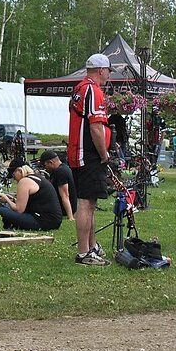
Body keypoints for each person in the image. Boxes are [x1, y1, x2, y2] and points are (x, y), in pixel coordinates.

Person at [67, 53, 113, 266]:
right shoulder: (93, 91)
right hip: (89, 154)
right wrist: (104, 154)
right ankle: (84, 252)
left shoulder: (79, 88)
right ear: (101, 70)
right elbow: (95, 127)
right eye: (108, 71)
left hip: (79, 152)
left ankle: (92, 246)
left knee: (90, 202)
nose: (109, 76)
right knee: (86, 203)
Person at [0, 158, 63, 230]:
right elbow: (33, 202)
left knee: (1, 210)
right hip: (53, 221)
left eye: (13, 175)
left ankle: (10, 226)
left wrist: (6, 199)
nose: (14, 178)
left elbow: (19, 210)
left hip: (43, 221)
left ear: (19, 170)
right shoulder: (37, 178)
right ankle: (13, 226)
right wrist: (13, 200)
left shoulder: (24, 181)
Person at [40, 149, 76, 222]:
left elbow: (65, 195)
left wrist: (70, 216)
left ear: (51, 162)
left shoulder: (61, 172)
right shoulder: (61, 169)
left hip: (61, 209)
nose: (45, 168)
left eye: (45, 165)